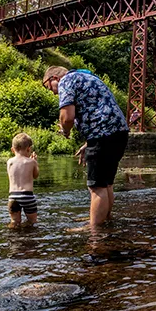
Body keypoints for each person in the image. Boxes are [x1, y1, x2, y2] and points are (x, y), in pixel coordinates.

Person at [42, 66, 130, 232]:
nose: (53, 93)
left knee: (96, 187)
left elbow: (67, 117)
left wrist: (65, 130)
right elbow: (99, 108)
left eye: (48, 87)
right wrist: (89, 143)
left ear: (54, 78)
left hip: (102, 133)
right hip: (118, 132)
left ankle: (93, 228)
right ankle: (104, 217)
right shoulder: (88, 78)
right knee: (107, 183)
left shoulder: (66, 81)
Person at [7, 132, 39, 228]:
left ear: (12, 150)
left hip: (13, 196)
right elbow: (35, 175)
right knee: (32, 221)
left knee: (14, 222)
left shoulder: (9, 162)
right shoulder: (31, 162)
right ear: (29, 149)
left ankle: (13, 237)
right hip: (27, 196)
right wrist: (35, 163)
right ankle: (28, 236)